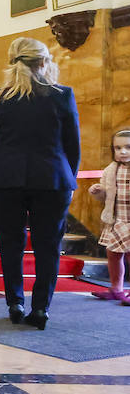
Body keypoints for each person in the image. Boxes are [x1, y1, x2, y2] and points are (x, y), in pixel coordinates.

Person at [0, 36, 80, 330]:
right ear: (43, 62)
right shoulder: (62, 95)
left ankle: (15, 302)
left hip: (6, 179)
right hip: (52, 180)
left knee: (10, 244)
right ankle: (41, 309)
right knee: (48, 246)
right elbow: (72, 143)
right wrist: (70, 177)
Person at [88, 128, 130, 304]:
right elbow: (105, 197)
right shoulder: (110, 170)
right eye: (118, 148)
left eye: (128, 147)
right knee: (113, 254)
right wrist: (98, 192)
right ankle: (116, 289)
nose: (122, 152)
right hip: (117, 219)